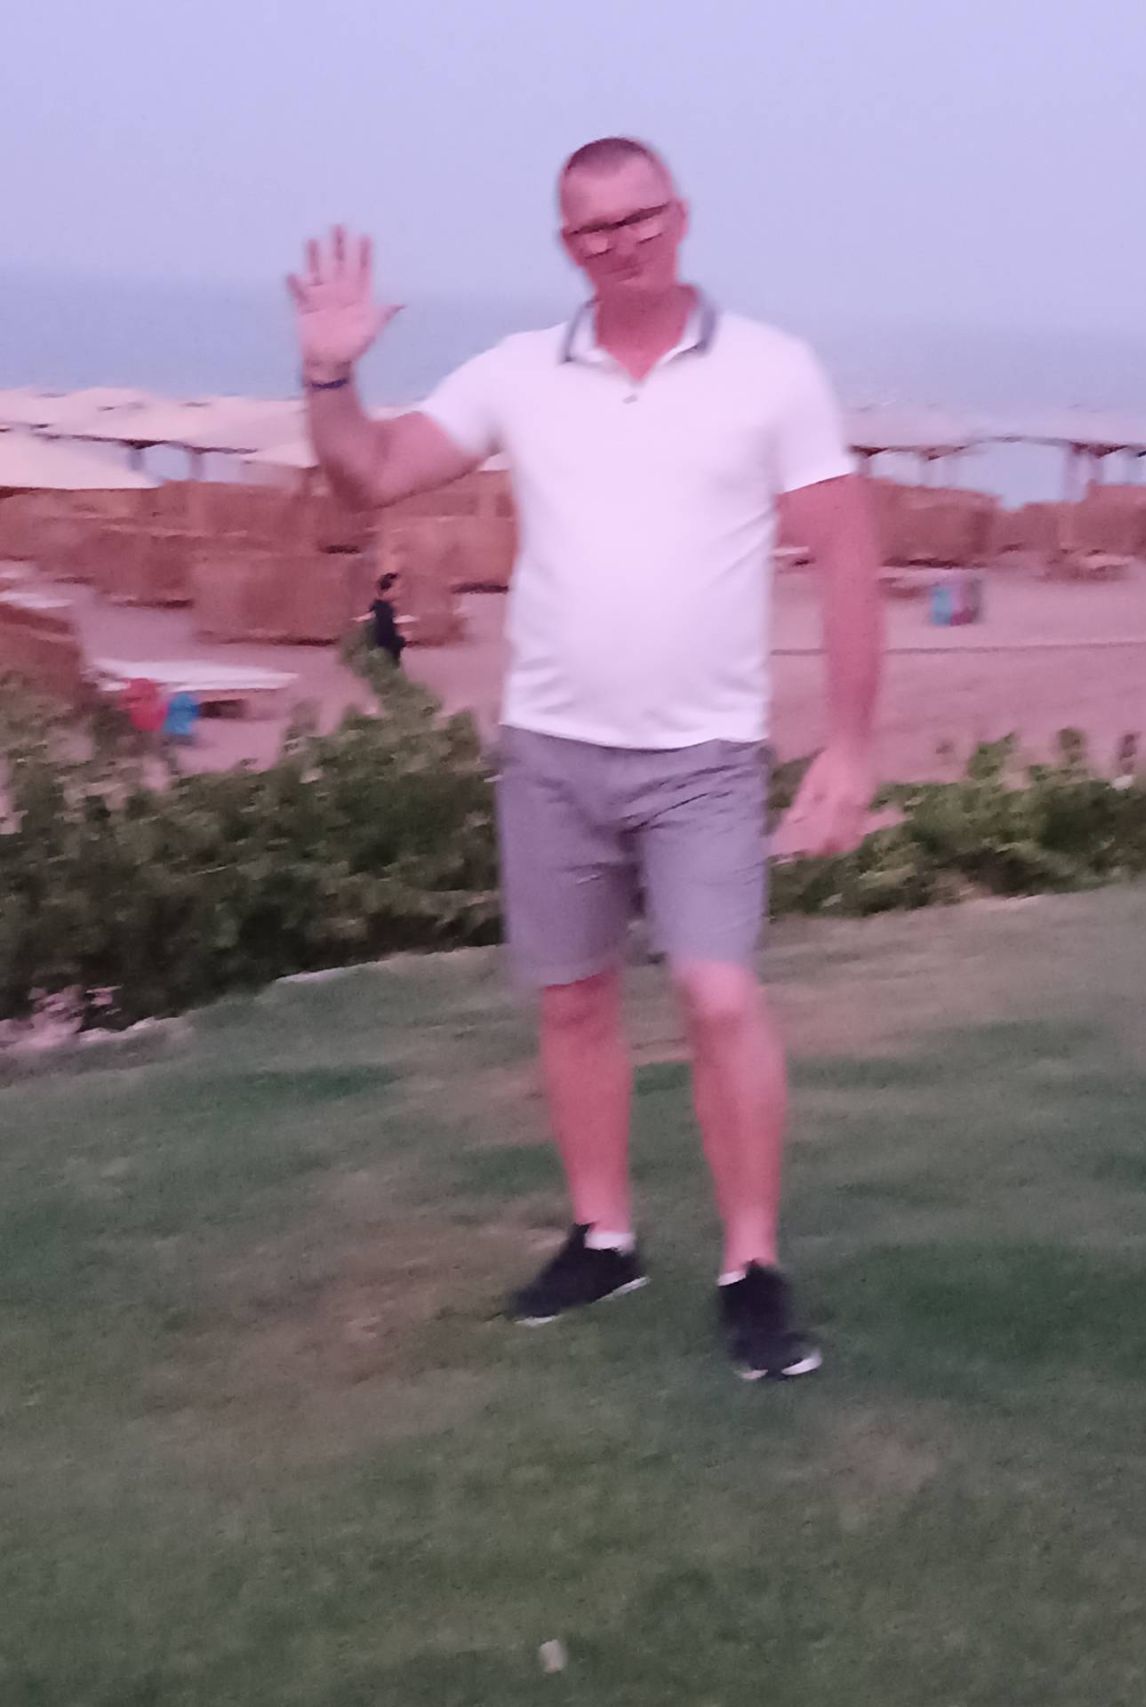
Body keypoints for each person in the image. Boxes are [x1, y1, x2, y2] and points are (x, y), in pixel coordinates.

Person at [289, 137, 882, 1380]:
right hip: (552, 750)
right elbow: (368, 474)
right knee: (572, 1000)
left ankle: (751, 1267)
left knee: (717, 996)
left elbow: (844, 552)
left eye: (639, 216)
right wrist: (330, 371)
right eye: (594, 228)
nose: (622, 242)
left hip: (703, 757)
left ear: (679, 214)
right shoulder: (520, 373)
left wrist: (849, 744)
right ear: (568, 245)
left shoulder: (771, 370)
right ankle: (603, 1238)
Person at [368, 570, 406, 666]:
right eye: (397, 589)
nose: (400, 592)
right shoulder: (385, 610)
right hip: (384, 658)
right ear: (386, 590)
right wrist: (402, 639)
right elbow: (385, 638)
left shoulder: (376, 606)